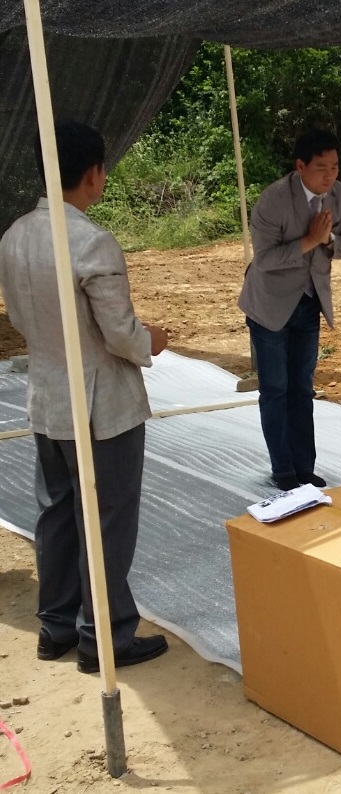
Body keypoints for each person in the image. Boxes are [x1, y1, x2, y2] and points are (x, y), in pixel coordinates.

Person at [0, 120, 169, 674]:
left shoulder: (15, 235)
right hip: (102, 405)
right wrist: (152, 340)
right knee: (108, 517)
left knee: (57, 513)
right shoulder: (90, 241)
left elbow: (19, 317)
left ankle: (55, 626)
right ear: (94, 174)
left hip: (47, 396)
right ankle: (105, 635)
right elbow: (120, 333)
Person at [238, 129, 341, 492]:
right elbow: (264, 259)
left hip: (309, 302)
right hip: (270, 305)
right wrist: (309, 240)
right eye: (321, 168)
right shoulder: (274, 199)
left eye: (335, 167)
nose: (329, 175)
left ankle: (305, 467)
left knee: (302, 388)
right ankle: (283, 469)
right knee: (275, 388)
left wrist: (329, 239)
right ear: (300, 166)